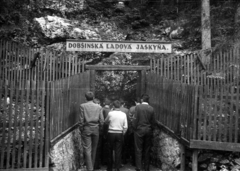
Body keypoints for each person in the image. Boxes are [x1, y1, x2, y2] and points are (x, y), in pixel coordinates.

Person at [79, 91, 104, 171]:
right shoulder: (98, 107)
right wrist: (100, 128)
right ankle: (91, 167)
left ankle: (90, 168)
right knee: (94, 148)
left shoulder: (82, 106)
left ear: (85, 98)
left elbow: (81, 120)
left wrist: (81, 128)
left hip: (86, 128)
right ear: (93, 98)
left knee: (87, 149)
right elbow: (102, 120)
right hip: (96, 128)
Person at [132, 94, 155, 171]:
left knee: (138, 148)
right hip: (148, 130)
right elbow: (153, 121)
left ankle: (139, 167)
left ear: (142, 100)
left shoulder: (138, 107)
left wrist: (134, 128)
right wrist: (151, 129)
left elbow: (135, 119)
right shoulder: (151, 109)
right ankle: (146, 168)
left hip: (139, 130)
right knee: (147, 149)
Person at [105, 100, 128, 171]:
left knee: (110, 150)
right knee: (118, 151)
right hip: (119, 133)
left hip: (111, 133)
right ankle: (117, 167)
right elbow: (126, 126)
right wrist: (123, 133)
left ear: (113, 106)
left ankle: (109, 167)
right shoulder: (123, 114)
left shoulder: (110, 113)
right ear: (120, 106)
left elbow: (105, 122)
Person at [128, 97, 141, 166]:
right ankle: (140, 162)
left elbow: (130, 119)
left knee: (133, 145)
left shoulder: (132, 108)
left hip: (133, 130)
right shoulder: (143, 108)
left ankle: (133, 161)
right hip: (141, 128)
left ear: (135, 102)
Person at [119, 98, 129, 165]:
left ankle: (118, 160)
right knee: (124, 145)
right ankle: (124, 160)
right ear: (124, 104)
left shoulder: (115, 110)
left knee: (117, 146)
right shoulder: (126, 110)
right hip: (124, 130)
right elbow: (128, 120)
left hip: (117, 129)